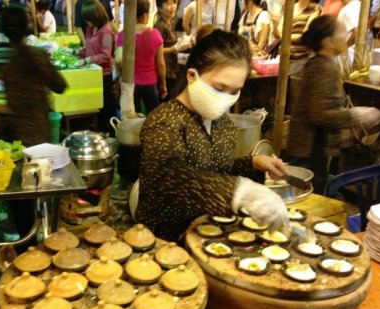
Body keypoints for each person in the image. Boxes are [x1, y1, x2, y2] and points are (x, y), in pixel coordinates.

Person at [136, 30, 290, 242]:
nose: (225, 99)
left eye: (234, 91)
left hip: (211, 235)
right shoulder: (164, 121)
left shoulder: (223, 124)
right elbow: (167, 178)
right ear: (192, 76)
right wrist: (239, 192)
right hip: (164, 239)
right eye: (220, 88)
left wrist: (253, 163)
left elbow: (215, 169)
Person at [287, 16, 380, 194]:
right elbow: (319, 115)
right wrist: (358, 115)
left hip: (312, 147)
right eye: (341, 32)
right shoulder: (323, 68)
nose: (346, 36)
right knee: (307, 198)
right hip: (309, 150)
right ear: (327, 42)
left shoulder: (323, 64)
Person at [0, 5, 67, 239]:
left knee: (20, 191)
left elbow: (13, 102)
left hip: (15, 137)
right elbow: (60, 85)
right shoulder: (36, 57)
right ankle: (33, 236)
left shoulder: (9, 66)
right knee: (34, 186)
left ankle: (25, 238)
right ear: (27, 27)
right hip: (37, 135)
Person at [115, 0, 166, 115]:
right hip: (150, 83)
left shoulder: (124, 34)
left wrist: (120, 73)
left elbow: (118, 59)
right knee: (153, 118)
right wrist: (163, 83)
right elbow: (161, 64)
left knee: (132, 120)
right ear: (144, 15)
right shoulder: (155, 34)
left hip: (130, 84)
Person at [81, 0, 115, 132]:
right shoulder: (90, 29)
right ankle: (99, 131)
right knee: (96, 106)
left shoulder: (106, 31)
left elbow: (106, 55)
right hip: (92, 74)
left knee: (106, 106)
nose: (86, 22)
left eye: (88, 19)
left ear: (95, 16)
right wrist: (76, 52)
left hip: (103, 75)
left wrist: (88, 60)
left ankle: (109, 132)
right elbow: (88, 49)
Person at [154, 0, 180, 100]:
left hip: (172, 68)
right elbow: (156, 51)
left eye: (174, 3)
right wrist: (174, 48)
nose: (172, 7)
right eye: (168, 4)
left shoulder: (170, 22)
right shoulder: (160, 26)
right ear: (160, 7)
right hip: (165, 71)